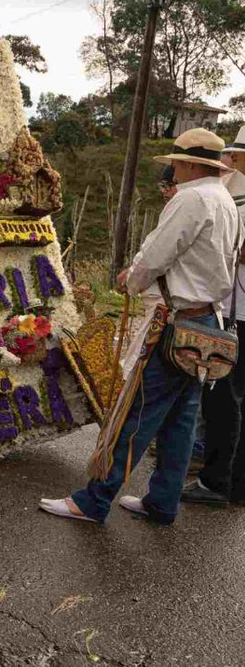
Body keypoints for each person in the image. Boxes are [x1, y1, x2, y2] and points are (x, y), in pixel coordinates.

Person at [40, 128, 240, 525]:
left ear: (185, 164)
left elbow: (157, 254)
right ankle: (163, 501)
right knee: (181, 419)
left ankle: (94, 500)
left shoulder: (191, 199)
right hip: (205, 323)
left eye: (174, 164)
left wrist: (131, 279)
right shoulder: (225, 200)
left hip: (177, 321)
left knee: (137, 413)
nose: (173, 171)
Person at [182, 125, 245, 505]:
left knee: (226, 396)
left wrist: (222, 248)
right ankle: (225, 477)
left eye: (239, 155)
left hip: (238, 309)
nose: (233, 160)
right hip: (235, 304)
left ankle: (221, 480)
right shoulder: (233, 189)